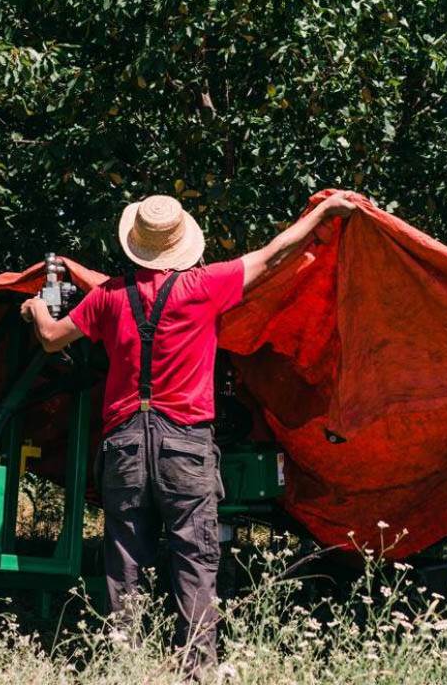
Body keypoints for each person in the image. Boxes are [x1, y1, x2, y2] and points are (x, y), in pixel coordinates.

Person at [21, 190, 361, 676]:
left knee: (125, 559)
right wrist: (325, 213)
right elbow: (273, 255)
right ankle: (197, 670)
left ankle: (127, 665)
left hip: (125, 445)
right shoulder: (205, 285)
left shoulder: (108, 296)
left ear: (135, 244)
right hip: (186, 444)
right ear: (182, 244)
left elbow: (52, 339)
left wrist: (36, 309)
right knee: (194, 556)